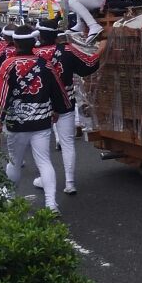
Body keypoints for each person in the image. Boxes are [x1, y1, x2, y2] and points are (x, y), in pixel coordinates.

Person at [0, 24, 70, 213]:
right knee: (44, 161)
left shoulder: (8, 64)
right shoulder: (45, 64)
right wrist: (58, 109)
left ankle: (10, 199)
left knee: (15, 162)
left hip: (16, 123)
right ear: (33, 42)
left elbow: (2, 94)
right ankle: (51, 204)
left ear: (16, 43)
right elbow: (58, 90)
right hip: (42, 121)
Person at [32, 19, 102, 195]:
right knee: (68, 143)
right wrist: (102, 49)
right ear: (56, 36)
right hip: (65, 102)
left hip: (41, 105)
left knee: (41, 145)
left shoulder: (33, 54)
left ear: (40, 36)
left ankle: (45, 179)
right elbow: (88, 66)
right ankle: (70, 183)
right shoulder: (68, 50)